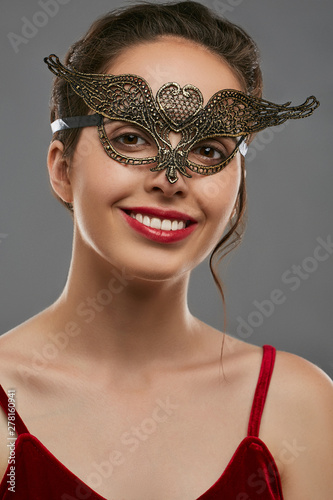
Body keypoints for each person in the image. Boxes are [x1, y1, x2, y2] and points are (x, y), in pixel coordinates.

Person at [0, 2, 332, 499]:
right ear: (62, 169)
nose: (171, 179)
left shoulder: (300, 406)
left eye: (209, 150)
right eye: (131, 138)